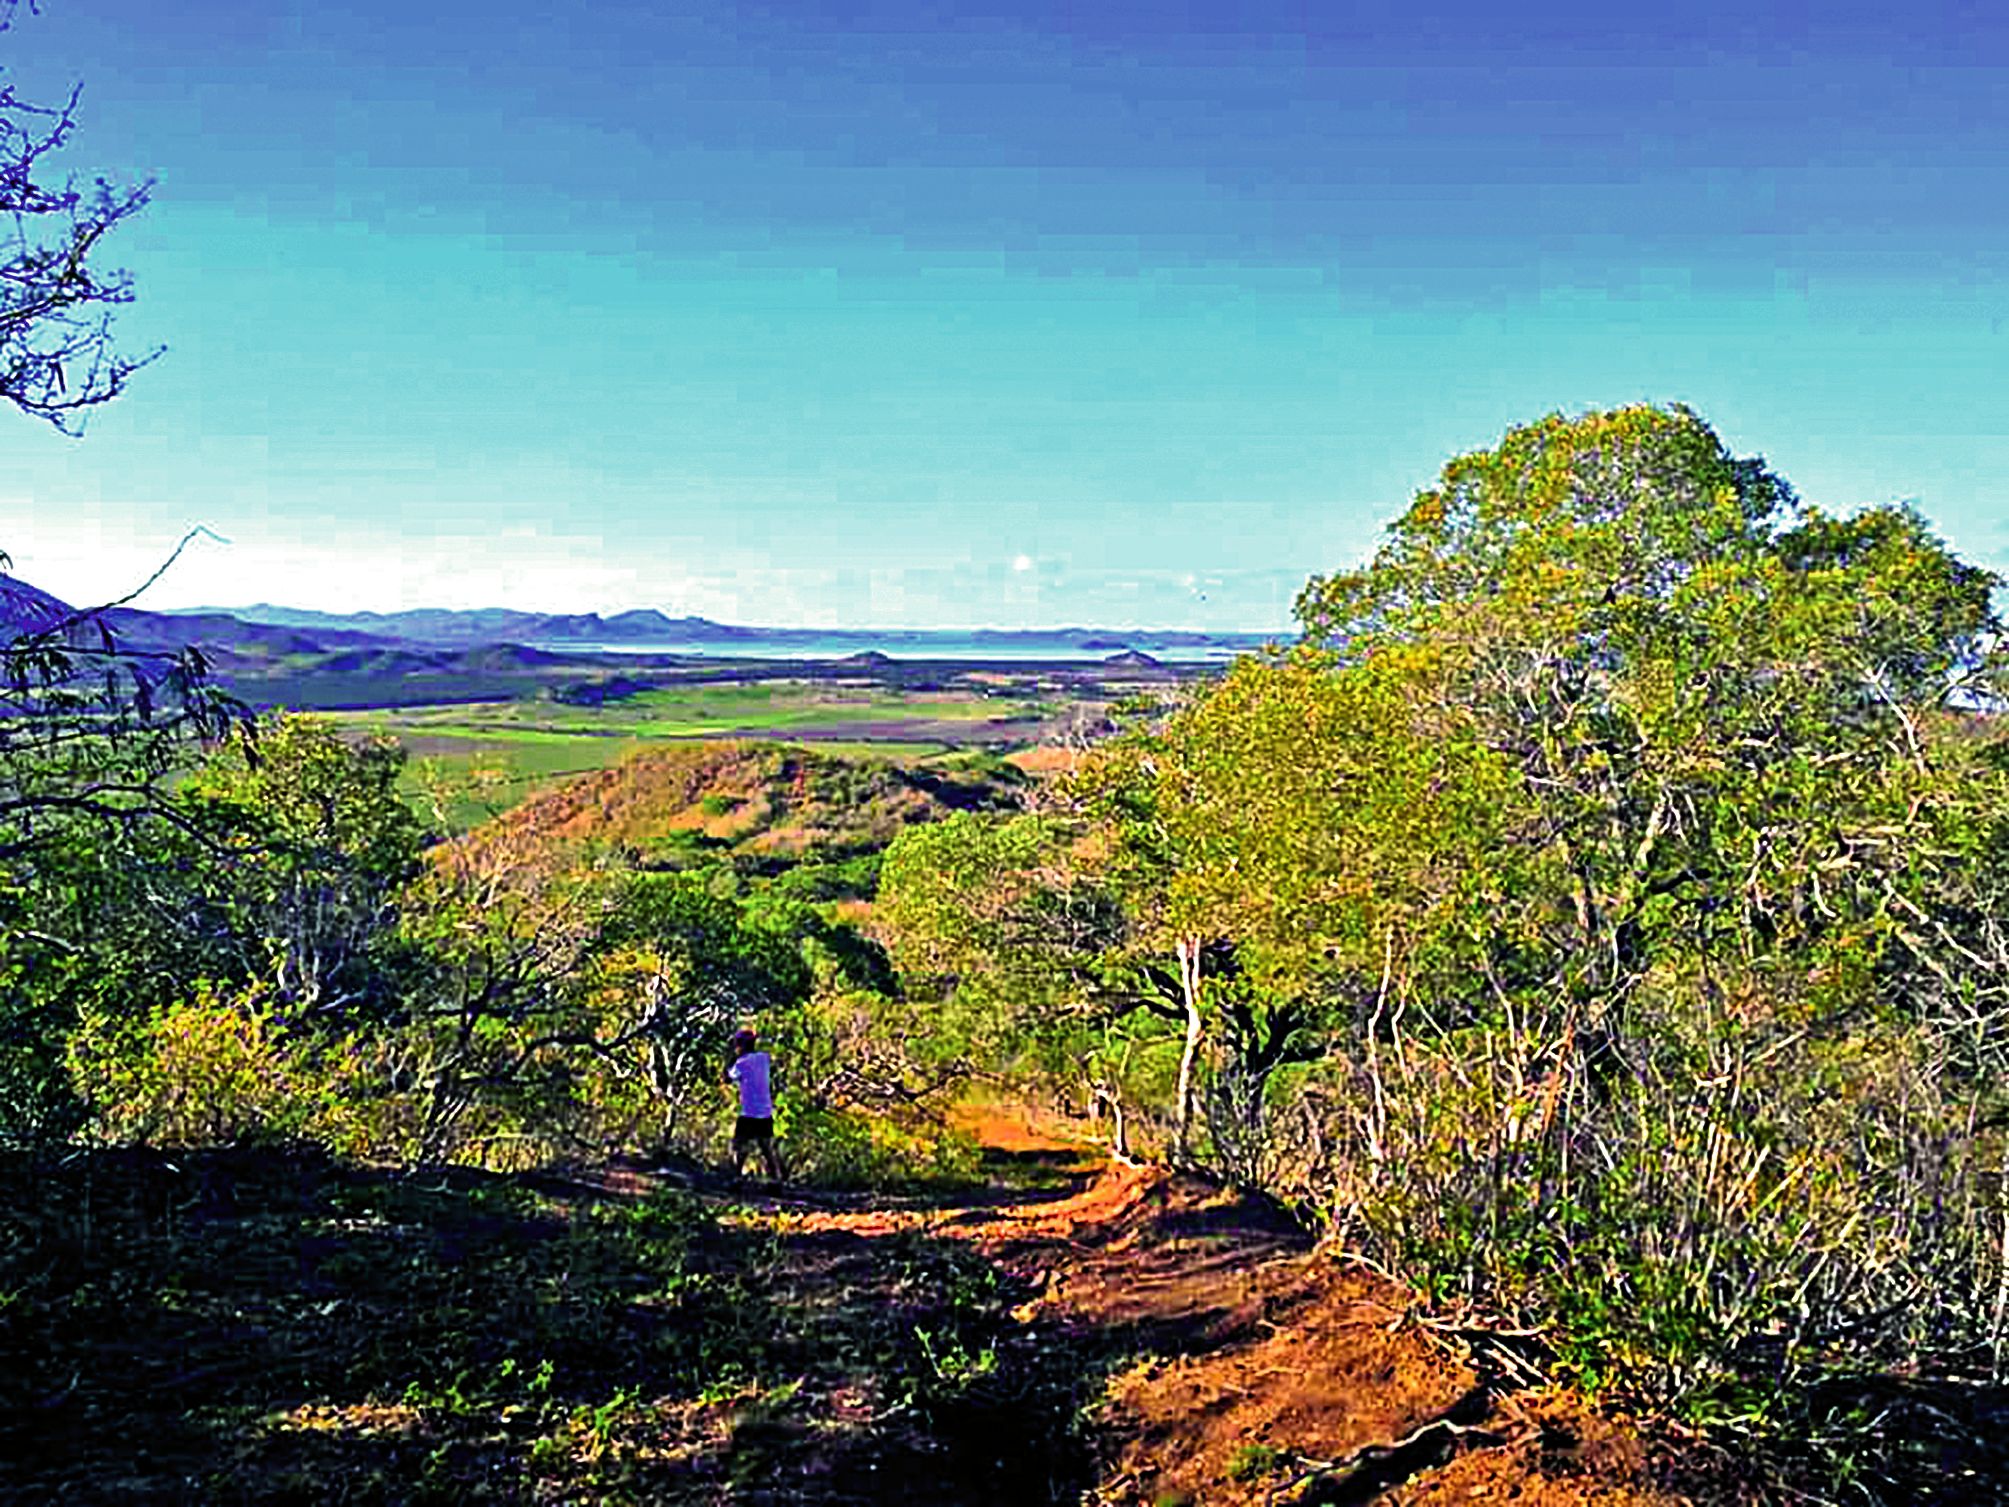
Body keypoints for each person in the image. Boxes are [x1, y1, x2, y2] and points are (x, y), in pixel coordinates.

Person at [726, 1027, 782, 1181]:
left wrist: (730, 1057)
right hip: (765, 1111)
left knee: (740, 1145)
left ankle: (737, 1178)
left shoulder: (741, 1063)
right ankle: (776, 1180)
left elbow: (728, 1078)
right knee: (767, 1149)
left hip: (749, 1112)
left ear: (741, 1045)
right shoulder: (763, 1059)